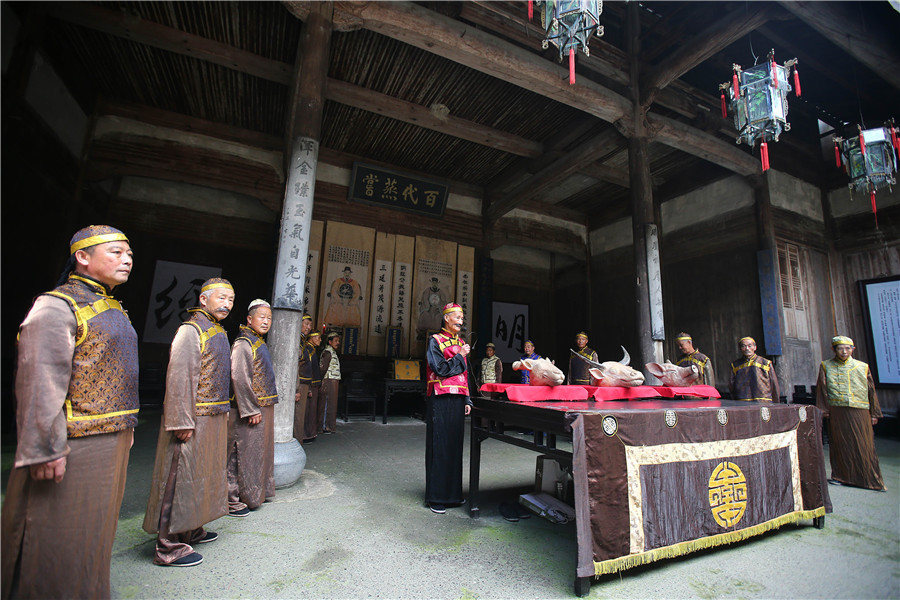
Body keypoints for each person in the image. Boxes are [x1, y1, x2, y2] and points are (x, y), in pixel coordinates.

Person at [1, 225, 138, 599]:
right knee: (58, 533)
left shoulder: (111, 305)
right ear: (82, 257)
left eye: (129, 255)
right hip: (72, 444)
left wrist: (125, 428)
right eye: (115, 253)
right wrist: (45, 447)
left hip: (110, 439)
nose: (126, 260)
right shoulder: (57, 306)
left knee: (93, 534)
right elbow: (40, 379)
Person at [142, 277, 235, 567]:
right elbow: (180, 377)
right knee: (180, 477)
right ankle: (168, 546)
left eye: (231, 300)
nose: (226, 304)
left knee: (200, 476)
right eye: (221, 298)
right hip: (193, 417)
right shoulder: (191, 330)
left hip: (214, 415)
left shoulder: (216, 330)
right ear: (203, 300)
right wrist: (180, 419)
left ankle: (191, 527)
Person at [227, 299, 279, 517]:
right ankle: (233, 499)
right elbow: (239, 377)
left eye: (269, 318)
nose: (266, 322)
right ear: (250, 319)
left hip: (262, 406)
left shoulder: (258, 341)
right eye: (262, 317)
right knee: (241, 454)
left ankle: (255, 493)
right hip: (251, 409)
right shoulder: (243, 343)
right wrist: (249, 409)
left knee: (258, 453)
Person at [816, 336, 886, 491]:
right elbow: (822, 389)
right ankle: (840, 476)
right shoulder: (826, 366)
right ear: (833, 349)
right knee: (840, 443)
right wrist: (824, 410)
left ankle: (870, 479)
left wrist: (874, 413)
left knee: (864, 444)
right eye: (840, 348)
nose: (844, 351)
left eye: (848, 348)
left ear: (853, 349)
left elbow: (871, 391)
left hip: (859, 410)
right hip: (837, 410)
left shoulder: (862, 366)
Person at [424, 303, 472, 514]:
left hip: (458, 398)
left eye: (462, 317)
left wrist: (468, 399)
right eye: (457, 317)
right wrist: (460, 356)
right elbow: (440, 369)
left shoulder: (461, 342)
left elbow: (465, 375)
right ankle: (436, 497)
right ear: (446, 318)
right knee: (440, 445)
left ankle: (452, 495)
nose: (460, 321)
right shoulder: (435, 341)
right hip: (440, 397)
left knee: (454, 446)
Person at [729, 336, 780, 402]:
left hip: (763, 401)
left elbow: (774, 384)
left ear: (755, 347)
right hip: (743, 401)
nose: (747, 348)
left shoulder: (765, 363)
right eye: (744, 346)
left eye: (750, 346)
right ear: (740, 348)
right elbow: (731, 386)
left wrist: (776, 402)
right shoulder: (735, 365)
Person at [294, 330, 322, 443]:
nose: (320, 340)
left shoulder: (310, 349)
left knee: (308, 411)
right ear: (312, 338)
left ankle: (307, 435)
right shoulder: (308, 349)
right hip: (305, 383)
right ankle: (305, 435)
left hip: (310, 383)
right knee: (305, 412)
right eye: (318, 337)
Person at [319, 331, 342, 434]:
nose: (338, 343)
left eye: (338, 341)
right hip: (328, 380)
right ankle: (325, 426)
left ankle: (329, 426)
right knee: (327, 404)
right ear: (329, 341)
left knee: (332, 404)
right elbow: (322, 369)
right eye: (336, 341)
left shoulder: (332, 352)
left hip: (333, 381)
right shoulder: (327, 352)